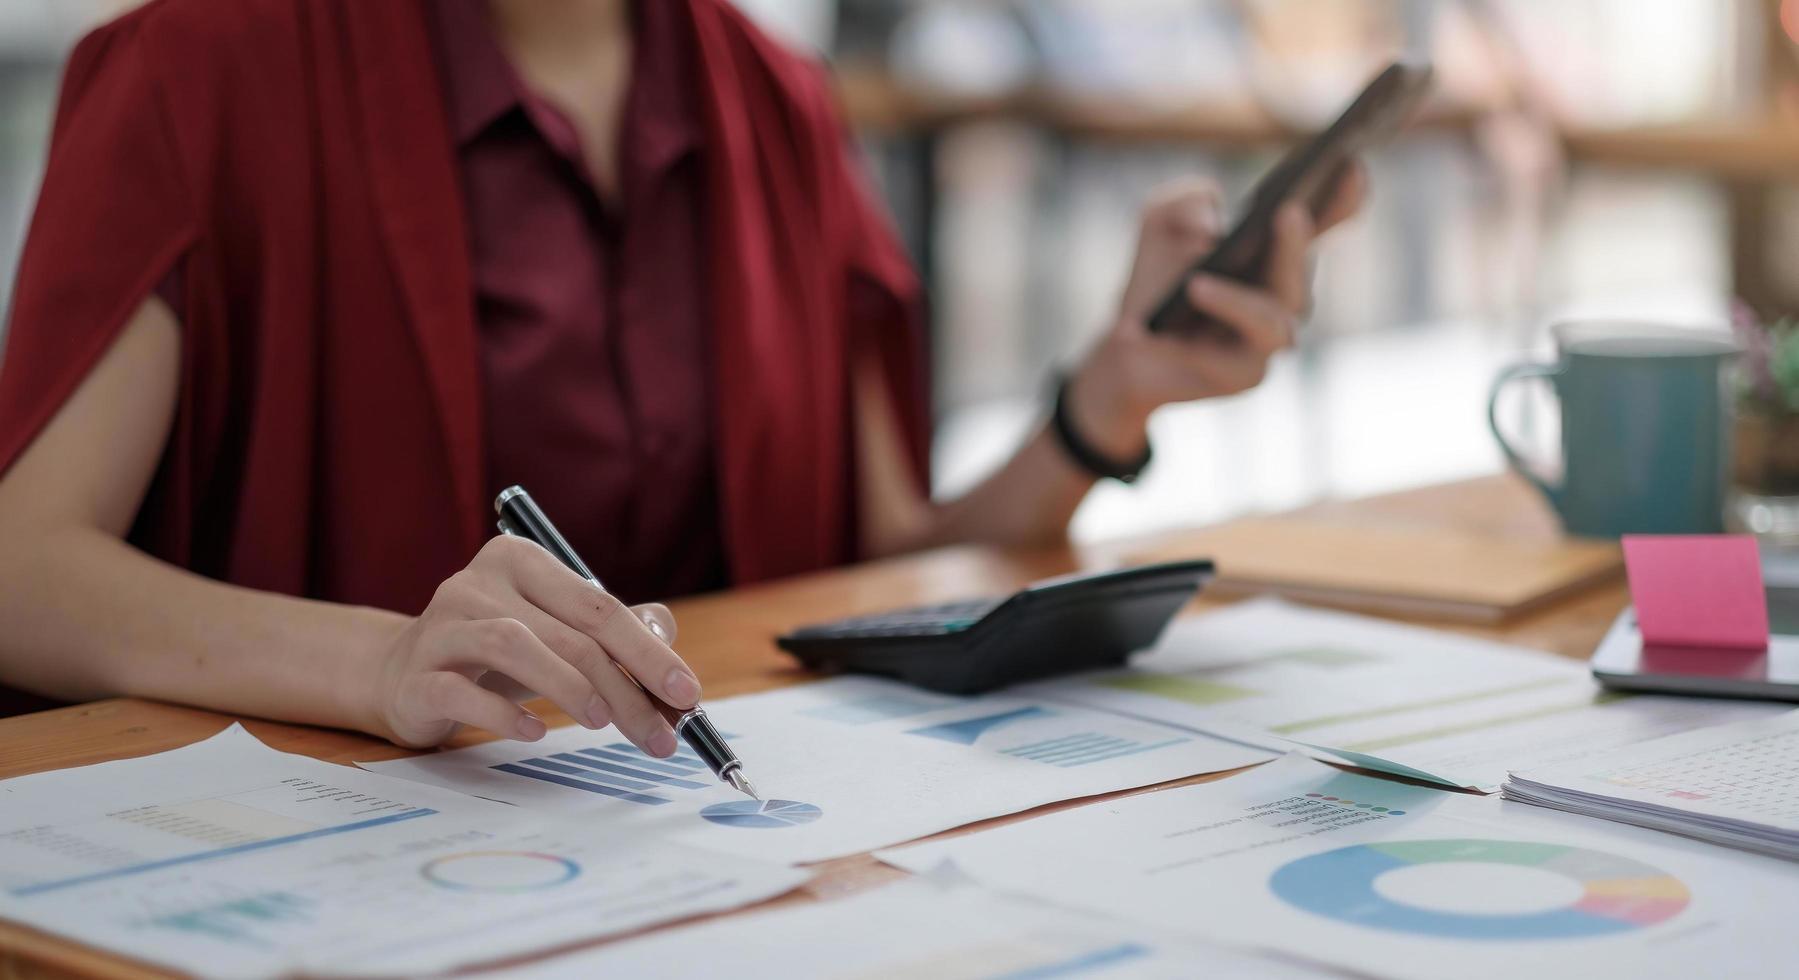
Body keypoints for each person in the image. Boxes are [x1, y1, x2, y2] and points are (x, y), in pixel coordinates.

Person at [0, 0, 1362, 754]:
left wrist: (1101, 407)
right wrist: (388, 660)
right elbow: (22, 569)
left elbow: (884, 562)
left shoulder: (775, 98)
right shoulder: (201, 66)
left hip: (695, 865)